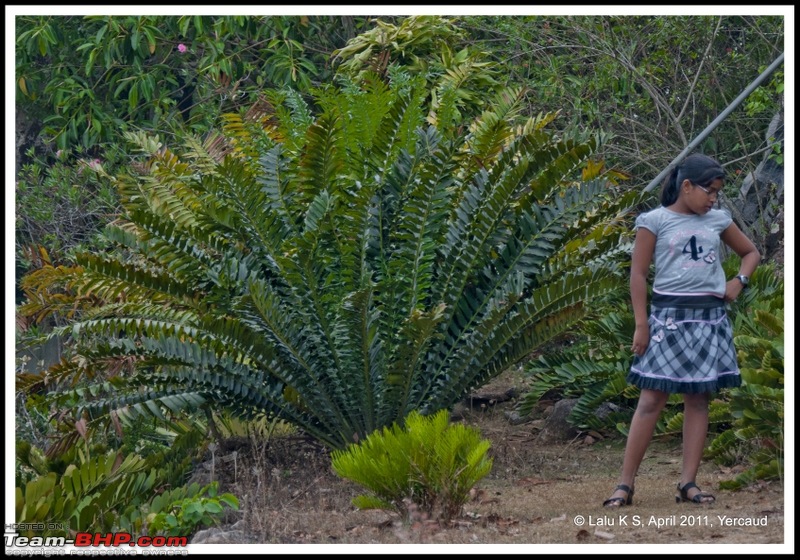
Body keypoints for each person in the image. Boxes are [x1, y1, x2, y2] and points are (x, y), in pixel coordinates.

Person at [603, 153, 760, 507]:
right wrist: (641, 324)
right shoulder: (654, 221)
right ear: (685, 186)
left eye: (718, 193)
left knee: (699, 399)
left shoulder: (718, 220)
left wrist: (739, 281)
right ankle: (624, 485)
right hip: (667, 320)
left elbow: (750, 253)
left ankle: (687, 483)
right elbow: (638, 275)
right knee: (651, 398)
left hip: (709, 320)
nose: (714, 199)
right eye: (709, 191)